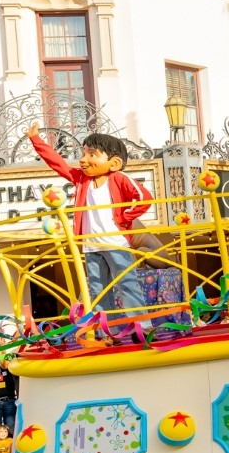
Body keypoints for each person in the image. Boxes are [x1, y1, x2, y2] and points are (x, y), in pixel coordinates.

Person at [28, 123, 152, 315]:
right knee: (98, 292)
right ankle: (107, 331)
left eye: (91, 154)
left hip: (115, 243)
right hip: (91, 246)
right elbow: (58, 164)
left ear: (114, 163)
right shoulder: (81, 179)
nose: (83, 160)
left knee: (127, 285)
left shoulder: (119, 178)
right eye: (84, 153)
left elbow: (143, 198)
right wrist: (36, 140)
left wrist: (123, 218)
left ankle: (142, 326)